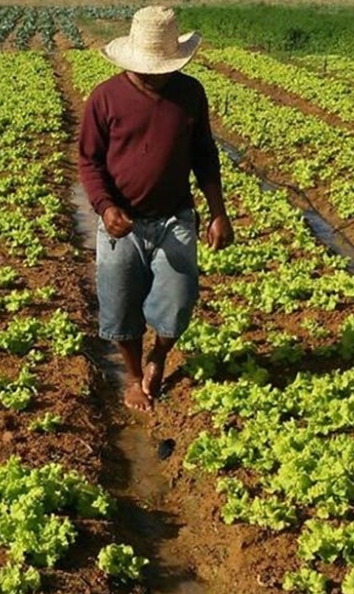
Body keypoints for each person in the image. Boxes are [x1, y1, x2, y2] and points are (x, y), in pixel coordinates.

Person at [78, 5, 233, 412]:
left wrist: (218, 211)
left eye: (164, 66)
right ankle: (133, 377)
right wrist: (105, 207)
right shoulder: (105, 98)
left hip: (175, 217)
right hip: (121, 223)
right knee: (120, 305)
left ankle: (159, 354)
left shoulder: (190, 93)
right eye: (149, 66)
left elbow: (204, 153)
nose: (156, 74)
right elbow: (89, 161)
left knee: (180, 297)